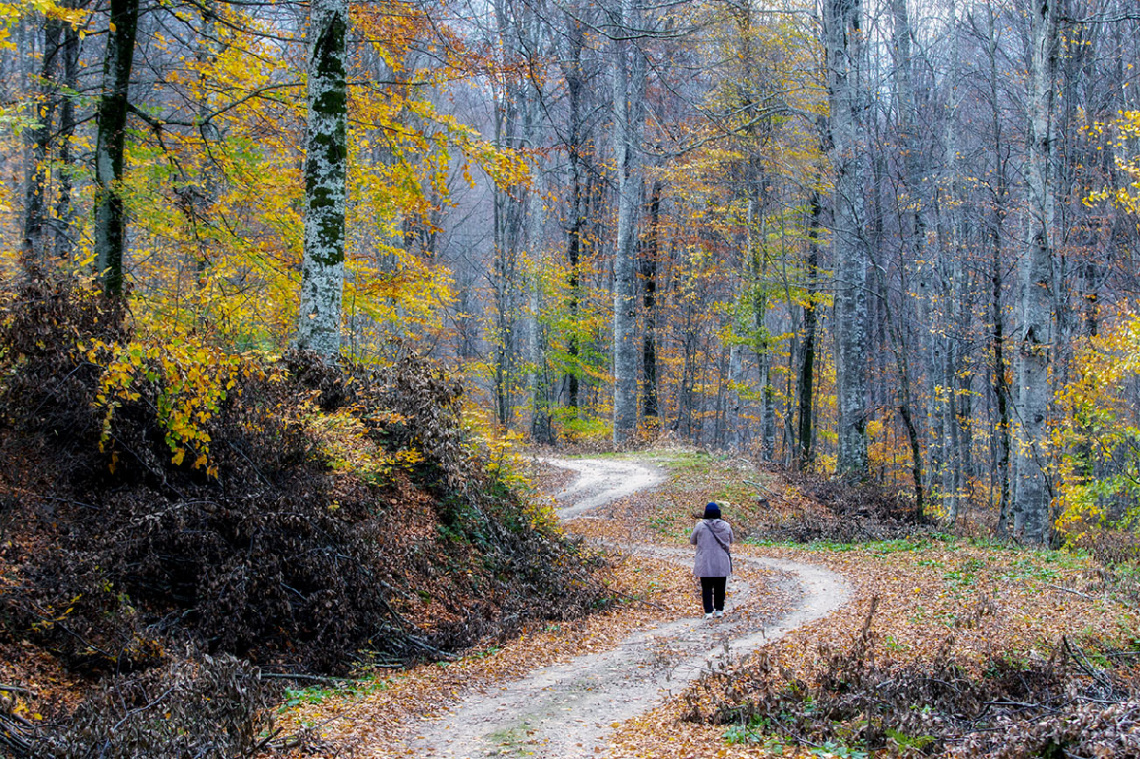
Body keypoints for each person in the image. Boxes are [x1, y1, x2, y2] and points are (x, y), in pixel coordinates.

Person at [690, 501, 733, 619]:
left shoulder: (700, 526)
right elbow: (731, 540)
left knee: (707, 587)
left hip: (705, 561)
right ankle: (719, 611)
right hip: (722, 561)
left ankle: (708, 612)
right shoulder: (726, 526)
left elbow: (692, 541)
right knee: (720, 587)